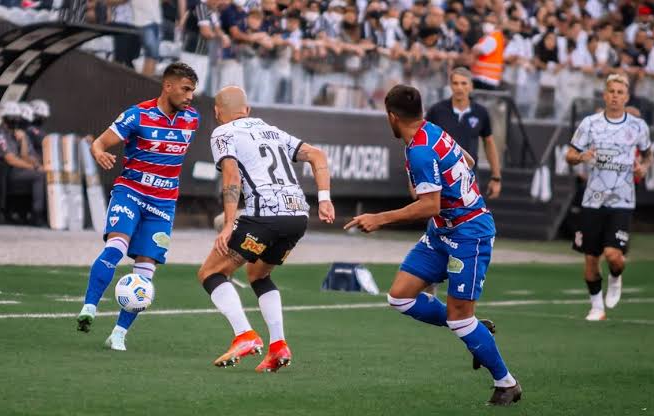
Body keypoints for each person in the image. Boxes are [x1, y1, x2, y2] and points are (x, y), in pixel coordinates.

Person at [344, 85, 521, 406]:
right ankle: (477, 331)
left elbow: (429, 205)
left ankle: (506, 383)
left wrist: (379, 219)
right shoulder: (432, 131)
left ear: (392, 117)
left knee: (458, 317)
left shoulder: (421, 151)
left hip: (470, 234)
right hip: (441, 233)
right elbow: (466, 159)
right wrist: (458, 186)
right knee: (400, 297)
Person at [197, 85, 334, 372]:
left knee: (211, 272)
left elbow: (232, 176)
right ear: (247, 110)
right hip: (297, 216)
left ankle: (245, 335)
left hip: (265, 216)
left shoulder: (223, 132)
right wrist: (324, 199)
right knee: (258, 274)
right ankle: (278, 346)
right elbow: (318, 155)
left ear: (217, 112)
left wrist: (230, 224)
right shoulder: (272, 130)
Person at [76, 63, 200, 350]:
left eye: (193, 91)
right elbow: (100, 143)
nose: (190, 96)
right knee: (116, 247)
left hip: (164, 204)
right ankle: (89, 308)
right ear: (167, 86)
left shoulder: (192, 119)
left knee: (145, 269)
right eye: (185, 89)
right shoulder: (137, 114)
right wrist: (98, 152)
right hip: (130, 192)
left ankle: (119, 333)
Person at [565, 74, 654, 321]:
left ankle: (615, 277)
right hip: (592, 199)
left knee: (614, 255)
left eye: (620, 92)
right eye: (611, 91)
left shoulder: (637, 126)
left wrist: (644, 168)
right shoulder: (590, 123)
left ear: (626, 97)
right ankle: (597, 307)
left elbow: (648, 155)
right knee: (591, 259)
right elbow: (570, 155)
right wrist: (582, 157)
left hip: (622, 200)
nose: (615, 96)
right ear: (605, 95)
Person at [425, 67, 501, 198]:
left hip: (469, 177)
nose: (459, 87)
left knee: (470, 217)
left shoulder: (481, 112)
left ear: (471, 86)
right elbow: (423, 143)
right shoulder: (436, 111)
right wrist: (416, 177)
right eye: (455, 83)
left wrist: (496, 177)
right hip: (440, 178)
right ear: (450, 86)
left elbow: (489, 142)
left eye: (463, 83)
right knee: (437, 217)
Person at [0, 100, 46, 226]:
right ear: (4, 118)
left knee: (46, 173)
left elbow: (25, 156)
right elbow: (10, 159)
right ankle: (37, 214)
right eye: (12, 117)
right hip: (5, 173)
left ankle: (41, 213)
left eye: (16, 117)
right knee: (40, 175)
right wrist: (33, 167)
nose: (15, 120)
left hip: (21, 171)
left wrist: (24, 140)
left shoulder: (18, 134)